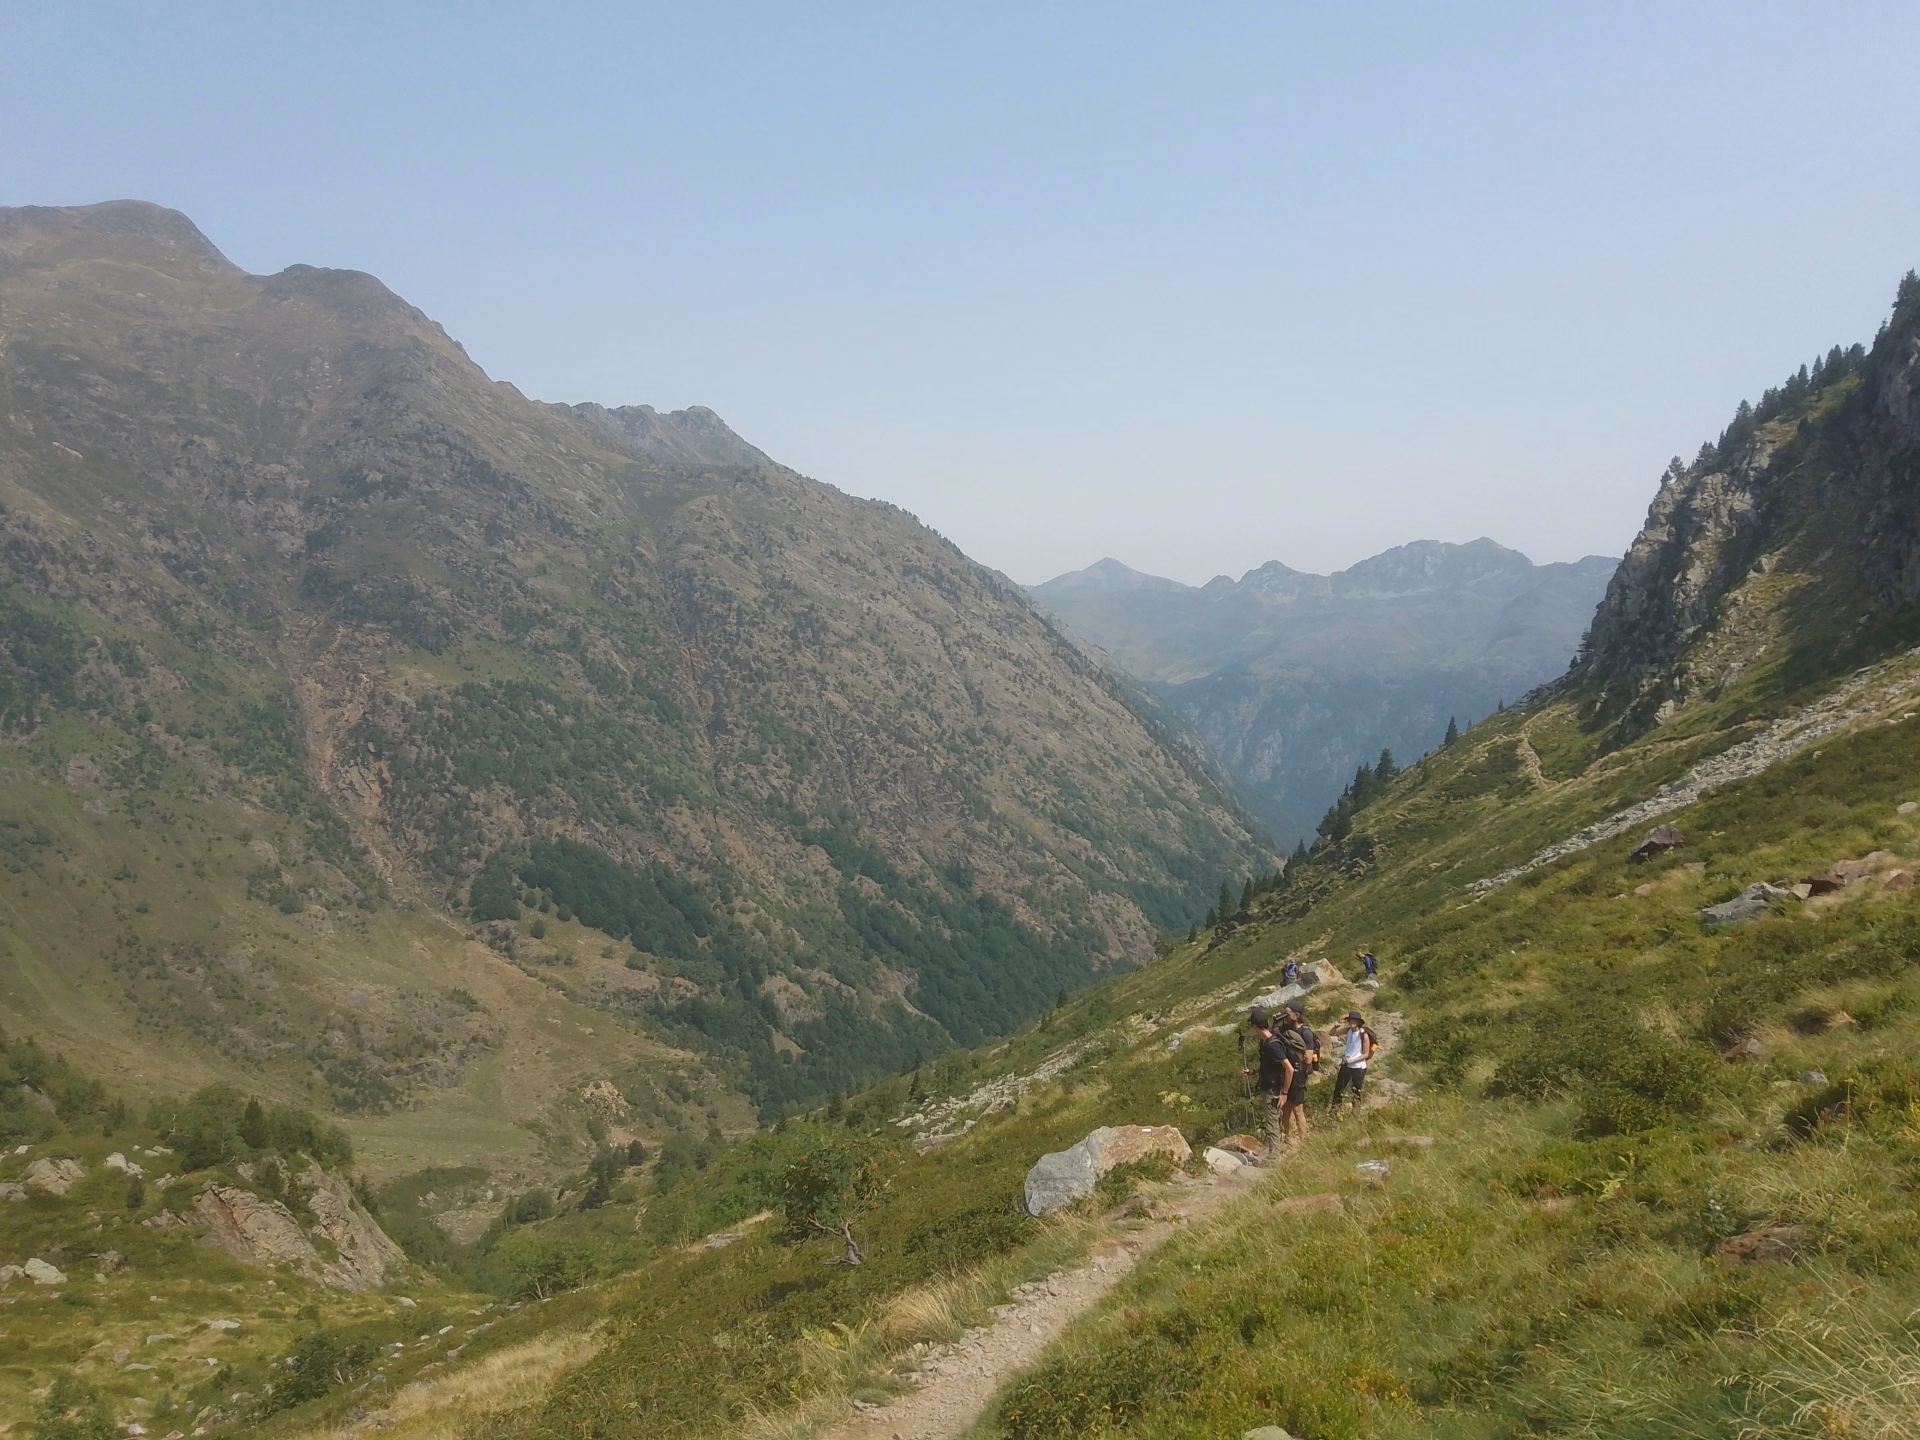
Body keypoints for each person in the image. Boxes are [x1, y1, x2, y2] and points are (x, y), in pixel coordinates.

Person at [1244, 1007, 1293, 1160]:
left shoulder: (1271, 1045)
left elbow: (1289, 1068)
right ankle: (1276, 1152)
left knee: (1272, 1124)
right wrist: (1253, 1071)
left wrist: (1284, 1093)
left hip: (1272, 1089)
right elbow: (1270, 1065)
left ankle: (1274, 1158)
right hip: (1271, 1086)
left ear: (1255, 1026)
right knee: (1274, 1121)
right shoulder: (1270, 1041)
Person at [1329, 1010, 1376, 1116]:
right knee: (1338, 1089)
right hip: (1346, 1065)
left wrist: (1352, 1060)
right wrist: (1337, 1025)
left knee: (1356, 1091)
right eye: (1351, 1020)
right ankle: (1334, 1112)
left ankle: (1355, 1114)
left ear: (1359, 1022)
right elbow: (1331, 1033)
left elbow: (1365, 1054)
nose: (1352, 1022)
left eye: (1354, 1020)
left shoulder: (1363, 1034)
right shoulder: (1348, 1030)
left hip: (1358, 1067)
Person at [1278, 1002, 1314, 1141]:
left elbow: (1309, 1058)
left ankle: (1303, 1138)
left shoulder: (1306, 1033)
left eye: (1288, 1013)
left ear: (1297, 1015)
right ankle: (1288, 1137)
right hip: (1287, 1073)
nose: (1285, 1016)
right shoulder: (1285, 1029)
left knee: (1298, 1109)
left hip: (1298, 1075)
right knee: (1286, 1108)